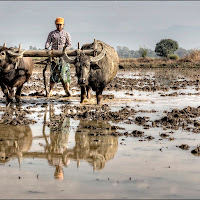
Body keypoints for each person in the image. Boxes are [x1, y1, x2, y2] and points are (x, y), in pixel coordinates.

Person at [45, 17, 72, 97]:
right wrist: (47, 47)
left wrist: (64, 50)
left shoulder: (66, 34)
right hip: (54, 56)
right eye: (57, 25)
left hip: (64, 57)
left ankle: (67, 90)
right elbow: (48, 42)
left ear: (63, 25)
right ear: (55, 25)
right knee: (53, 73)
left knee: (66, 74)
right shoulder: (52, 34)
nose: (59, 26)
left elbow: (69, 44)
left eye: (60, 25)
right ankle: (51, 90)